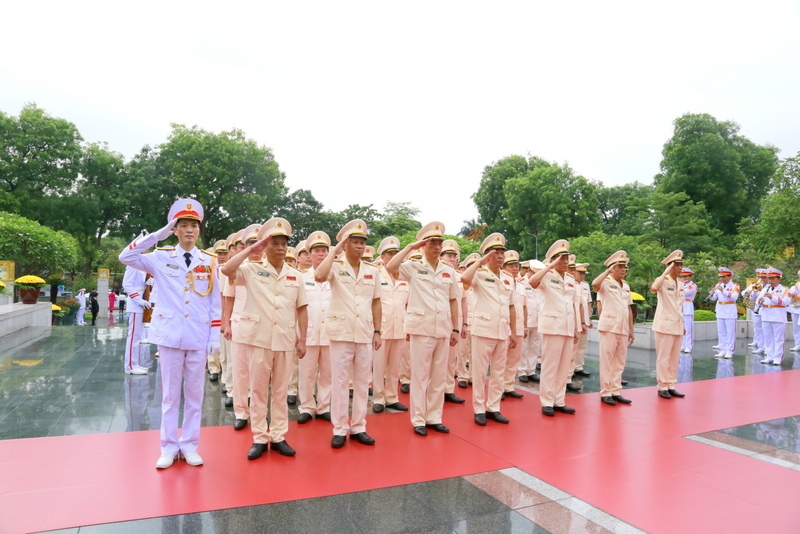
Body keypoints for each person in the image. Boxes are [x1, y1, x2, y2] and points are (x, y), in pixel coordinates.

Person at [119, 198, 221, 469]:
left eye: (194, 226)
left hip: (198, 335)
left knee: (195, 395)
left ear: (199, 230)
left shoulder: (210, 261)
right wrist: (158, 234)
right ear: (174, 230)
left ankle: (189, 445)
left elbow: (214, 302)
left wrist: (214, 335)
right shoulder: (160, 256)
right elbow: (126, 257)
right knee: (169, 395)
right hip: (170, 335)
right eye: (183, 225)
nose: (189, 230)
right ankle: (167, 446)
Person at [221, 219, 308, 459]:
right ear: (266, 246)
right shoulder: (251, 269)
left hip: (285, 338)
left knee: (280, 390)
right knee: (258, 390)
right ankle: (260, 436)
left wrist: (302, 339)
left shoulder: (296, 276)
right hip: (258, 338)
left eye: (283, 244)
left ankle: (278, 435)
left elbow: (302, 308)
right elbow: (227, 270)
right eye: (275, 244)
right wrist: (251, 249)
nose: (280, 248)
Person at [386, 222, 460, 436]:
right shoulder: (413, 266)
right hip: (422, 328)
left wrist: (455, 328)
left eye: (439, 243)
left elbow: (454, 299)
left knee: (438, 376)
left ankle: (434, 417)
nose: (437, 247)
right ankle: (418, 419)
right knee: (419, 376)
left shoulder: (448, 271)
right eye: (432, 243)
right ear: (423, 246)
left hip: (443, 328)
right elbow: (391, 267)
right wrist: (410, 247)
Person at [315, 219, 382, 449]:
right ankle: (340, 428)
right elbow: (319, 276)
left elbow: (376, 302)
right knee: (341, 382)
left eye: (362, 242)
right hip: (341, 332)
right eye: (354, 242)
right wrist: (334, 250)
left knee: (363, 383)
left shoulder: (372, 271)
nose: (360, 246)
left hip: (364, 332)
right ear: (345, 244)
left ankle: (359, 426)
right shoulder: (334, 265)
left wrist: (377, 331)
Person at [460, 233, 517, 425]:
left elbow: (511, 306)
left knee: (499, 372)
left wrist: (514, 331)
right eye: (496, 253)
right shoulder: (479, 274)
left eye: (502, 252)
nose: (501, 256)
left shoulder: (508, 278)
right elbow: (464, 278)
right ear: (487, 255)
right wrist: (480, 262)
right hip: (483, 329)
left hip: (502, 330)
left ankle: (493, 407)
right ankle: (479, 408)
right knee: (479, 372)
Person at [527, 239, 583, 416]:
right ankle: (547, 401)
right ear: (554, 260)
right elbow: (532, 282)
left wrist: (575, 329)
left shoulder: (571, 279)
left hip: (567, 326)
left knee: (564, 366)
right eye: (562, 259)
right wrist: (550, 266)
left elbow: (573, 305)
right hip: (552, 326)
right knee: (550, 365)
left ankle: (559, 400)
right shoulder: (546, 276)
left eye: (567, 259)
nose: (566, 263)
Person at [297, 231, 334, 424]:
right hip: (309, 333)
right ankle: (306, 407)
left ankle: (323, 407)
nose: (320, 254)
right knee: (307, 373)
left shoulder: (335, 276)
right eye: (317, 251)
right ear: (309, 255)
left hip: (330, 332)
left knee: (328, 373)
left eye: (324, 251)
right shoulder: (301, 278)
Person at [372, 236, 411, 413]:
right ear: (383, 256)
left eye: (397, 253)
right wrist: (375, 330)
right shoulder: (375, 274)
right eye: (390, 254)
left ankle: (392, 397)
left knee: (395, 365)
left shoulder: (405, 276)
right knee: (379, 365)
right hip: (382, 326)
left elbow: (409, 303)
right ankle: (379, 397)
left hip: (401, 326)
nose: (394, 256)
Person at [592, 251, 634, 406]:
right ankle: (605, 392)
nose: (623, 270)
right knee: (607, 361)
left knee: (619, 361)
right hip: (609, 327)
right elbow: (595, 284)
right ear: (612, 268)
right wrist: (607, 271)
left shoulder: (626, 285)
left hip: (622, 328)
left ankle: (616, 391)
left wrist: (631, 329)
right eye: (620, 267)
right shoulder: (606, 282)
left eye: (625, 267)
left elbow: (628, 308)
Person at [651, 250, 686, 399]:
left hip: (677, 324)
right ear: (670, 266)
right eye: (676, 265)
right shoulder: (663, 281)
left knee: (674, 357)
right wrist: (665, 271)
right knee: (663, 357)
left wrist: (683, 324)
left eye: (680, 265)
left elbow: (680, 306)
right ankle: (662, 386)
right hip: (664, 325)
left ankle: (671, 384)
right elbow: (653, 288)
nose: (680, 268)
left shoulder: (681, 283)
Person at [440, 239, 466, 404]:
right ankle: (434, 388)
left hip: (454, 321)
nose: (452, 259)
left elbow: (463, 301)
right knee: (435, 359)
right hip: (439, 319)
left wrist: (463, 324)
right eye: (449, 255)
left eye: (454, 256)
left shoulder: (460, 277)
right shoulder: (436, 272)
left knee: (451, 358)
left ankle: (448, 389)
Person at [500, 250, 526, 400]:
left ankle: (508, 386)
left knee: (514, 358)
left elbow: (524, 307)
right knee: (502, 358)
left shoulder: (522, 284)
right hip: (505, 325)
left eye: (516, 265)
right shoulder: (501, 280)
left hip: (519, 326)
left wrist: (525, 326)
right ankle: (499, 387)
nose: (515, 268)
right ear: (504, 267)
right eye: (511, 265)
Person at [122, 261, 151, 375]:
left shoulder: (142, 265)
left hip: (142, 301)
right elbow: (127, 284)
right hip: (136, 304)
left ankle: (135, 364)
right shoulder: (132, 264)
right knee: (133, 337)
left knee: (137, 336)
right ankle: (130, 365)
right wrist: (138, 300)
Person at [518, 260, 543, 383]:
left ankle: (531, 370)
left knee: (535, 347)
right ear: (528, 271)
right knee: (523, 347)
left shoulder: (540, 283)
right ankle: (522, 370)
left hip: (538, 320)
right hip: (526, 320)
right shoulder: (521, 283)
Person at [758, 268, 789, 366]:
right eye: (769, 278)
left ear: (778, 279)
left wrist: (772, 297)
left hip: (778, 316)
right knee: (768, 337)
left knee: (778, 338)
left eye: (773, 278)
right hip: (766, 315)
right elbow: (757, 300)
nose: (770, 280)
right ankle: (769, 356)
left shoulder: (784, 290)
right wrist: (759, 301)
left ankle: (778, 357)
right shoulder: (764, 289)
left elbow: (786, 302)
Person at [709, 267, 740, 359]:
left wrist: (723, 290)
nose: (722, 278)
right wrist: (711, 293)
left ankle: (729, 351)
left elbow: (734, 297)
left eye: (724, 276)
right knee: (721, 332)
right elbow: (714, 298)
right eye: (721, 277)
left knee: (730, 332)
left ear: (730, 276)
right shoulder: (718, 285)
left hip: (730, 310)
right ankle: (722, 349)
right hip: (720, 309)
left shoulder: (735, 286)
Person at [571, 262, 593, 379]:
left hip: (584, 318)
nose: (583, 275)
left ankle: (578, 366)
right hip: (575, 319)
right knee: (573, 346)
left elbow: (588, 303)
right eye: (581, 273)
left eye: (584, 273)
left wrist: (589, 318)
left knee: (582, 345)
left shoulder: (585, 285)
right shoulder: (571, 284)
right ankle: (570, 369)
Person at [680, 268, 697, 353]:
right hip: (680, 307)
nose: (684, 278)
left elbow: (684, 293)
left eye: (686, 276)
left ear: (690, 276)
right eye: (683, 276)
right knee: (681, 328)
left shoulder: (692, 285)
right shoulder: (681, 285)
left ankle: (689, 345)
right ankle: (683, 345)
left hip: (687, 306)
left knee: (688, 328)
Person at [787, 270, 800, 353]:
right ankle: (797, 344)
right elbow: (788, 294)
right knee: (796, 328)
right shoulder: (794, 286)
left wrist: (797, 296)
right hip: (795, 308)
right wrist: (791, 294)